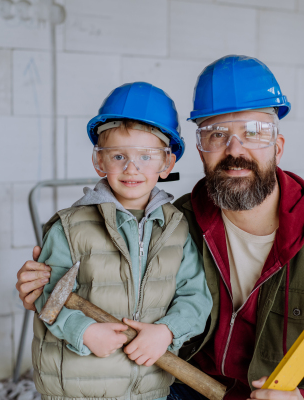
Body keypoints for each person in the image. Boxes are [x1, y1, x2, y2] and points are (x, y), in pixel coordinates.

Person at [17, 56, 304, 400]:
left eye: (253, 132)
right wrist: (45, 284)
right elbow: (96, 278)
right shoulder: (173, 226)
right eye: (216, 134)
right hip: (186, 390)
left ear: (277, 146)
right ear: (199, 149)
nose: (235, 149)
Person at [30, 81, 212, 400]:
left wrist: (167, 332)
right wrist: (82, 330)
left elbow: (196, 297)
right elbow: (48, 294)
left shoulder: (178, 228)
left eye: (146, 155)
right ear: (99, 161)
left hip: (149, 388)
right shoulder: (70, 226)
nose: (132, 168)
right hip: (78, 387)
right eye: (118, 156)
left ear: (167, 164)